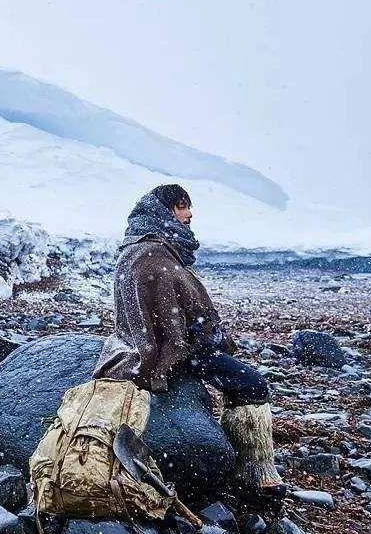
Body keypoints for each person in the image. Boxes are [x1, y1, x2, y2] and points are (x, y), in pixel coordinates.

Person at [93, 184, 285, 496]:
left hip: (140, 346)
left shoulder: (137, 248)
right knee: (253, 385)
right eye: (182, 206)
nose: (189, 214)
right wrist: (205, 343)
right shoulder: (154, 254)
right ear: (164, 211)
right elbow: (179, 320)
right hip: (168, 353)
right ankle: (254, 471)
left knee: (228, 382)